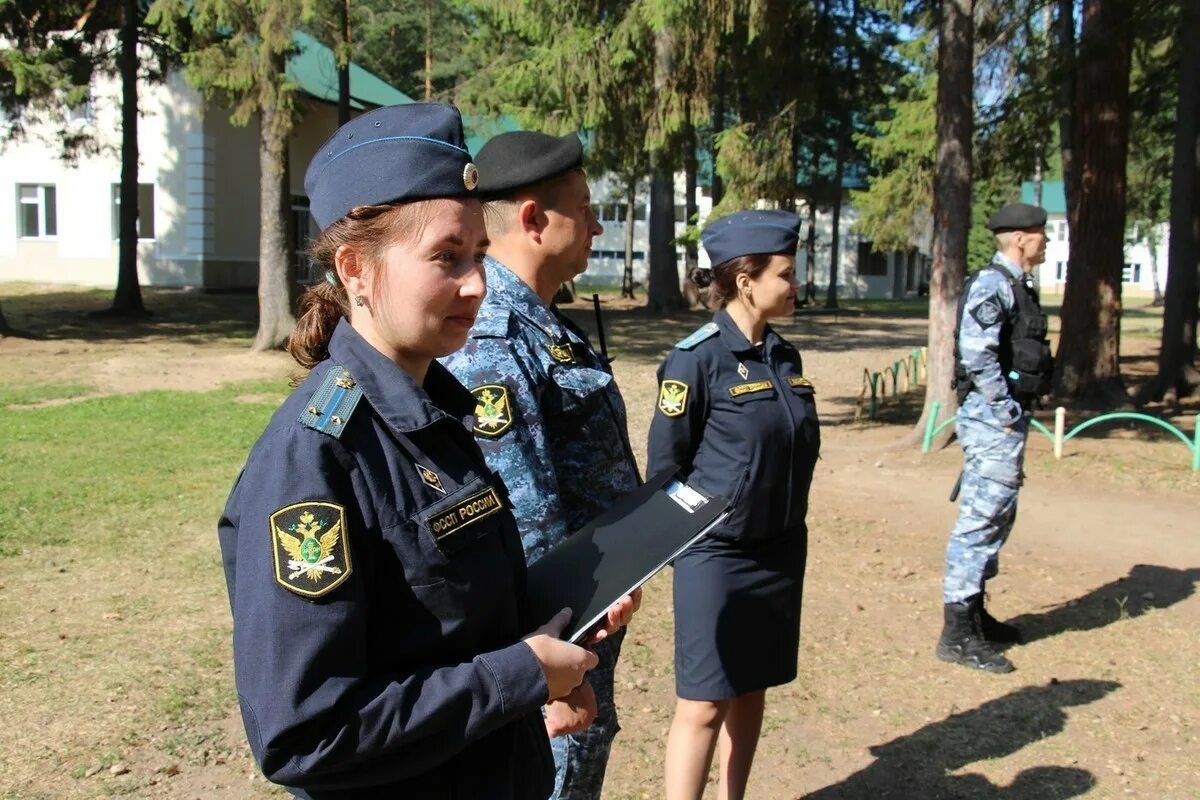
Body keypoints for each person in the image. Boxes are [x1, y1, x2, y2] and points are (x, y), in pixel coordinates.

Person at [216, 103, 636, 800]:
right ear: (355, 268)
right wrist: (521, 674)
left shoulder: (438, 413)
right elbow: (306, 733)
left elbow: (438, 630)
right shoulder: (315, 460)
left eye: (477, 254)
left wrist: (554, 637)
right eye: (446, 257)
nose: (476, 283)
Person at [440, 130, 642, 800]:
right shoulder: (494, 335)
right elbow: (519, 521)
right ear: (532, 219)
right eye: (583, 208)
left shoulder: (543, 323)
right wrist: (554, 677)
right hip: (551, 640)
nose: (597, 222)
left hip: (586, 616)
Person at [646, 210, 821, 800]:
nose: (798, 286)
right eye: (788, 274)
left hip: (779, 551)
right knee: (702, 704)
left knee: (752, 689)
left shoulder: (785, 357)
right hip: (716, 555)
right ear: (746, 279)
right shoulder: (695, 359)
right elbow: (666, 469)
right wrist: (689, 545)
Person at [936, 201, 1053, 674]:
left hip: (1002, 422)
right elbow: (976, 353)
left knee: (998, 517)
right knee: (980, 521)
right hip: (991, 423)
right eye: (1041, 234)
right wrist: (1004, 410)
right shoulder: (993, 284)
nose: (1046, 241)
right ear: (1021, 238)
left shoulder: (1016, 285)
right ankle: (957, 634)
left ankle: (976, 616)